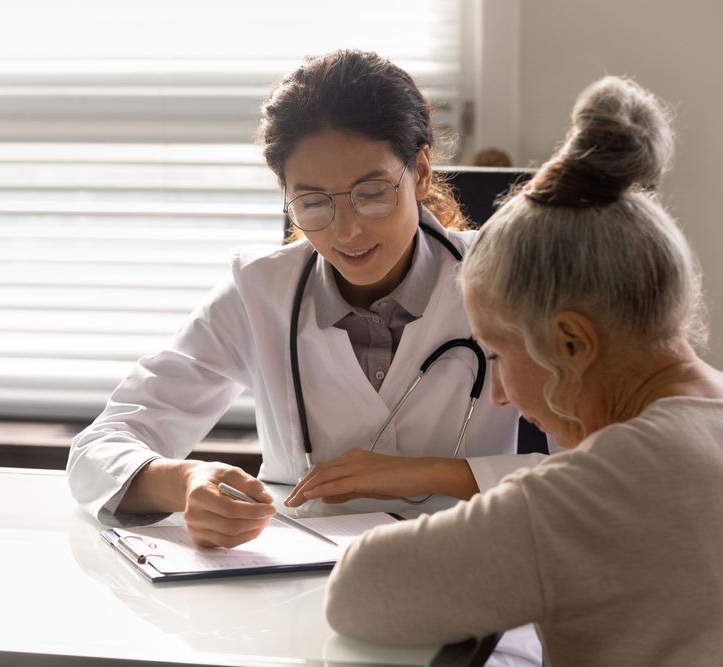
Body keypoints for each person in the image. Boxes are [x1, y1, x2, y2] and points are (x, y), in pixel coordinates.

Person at [324, 75, 723, 665]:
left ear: (572, 341)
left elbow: (362, 592)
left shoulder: (593, 493)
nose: (500, 393)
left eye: (499, 354)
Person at [67, 50, 545, 547]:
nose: (348, 229)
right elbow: (97, 449)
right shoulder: (257, 291)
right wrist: (184, 482)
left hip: (472, 566)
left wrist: (431, 474)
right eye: (313, 202)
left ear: (421, 171)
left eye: (372, 192)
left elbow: (607, 463)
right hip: (298, 589)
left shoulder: (513, 277)